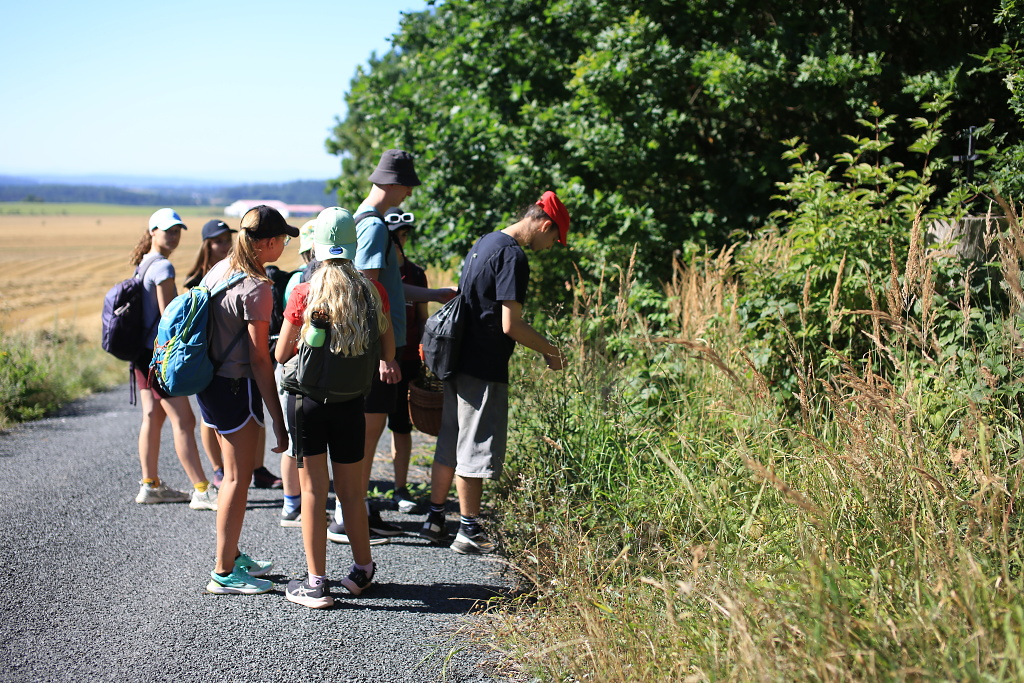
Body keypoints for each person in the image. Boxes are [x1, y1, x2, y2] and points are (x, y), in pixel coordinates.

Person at [418, 191, 570, 554]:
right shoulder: (513, 256)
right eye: (555, 239)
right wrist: (551, 350)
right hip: (482, 365)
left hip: (456, 357)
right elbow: (510, 325)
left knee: (450, 440)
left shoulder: (486, 241)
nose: (551, 246)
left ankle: (435, 518)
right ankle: (469, 531)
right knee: (474, 446)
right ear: (545, 226)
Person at [328, 149, 455, 545]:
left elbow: (388, 287)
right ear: (395, 183)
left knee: (368, 431)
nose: (409, 193)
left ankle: (357, 510)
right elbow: (367, 290)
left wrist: (433, 293)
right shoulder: (375, 227)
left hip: (372, 346)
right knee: (367, 435)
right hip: (374, 349)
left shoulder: (361, 219)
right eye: (408, 186)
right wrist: (383, 355)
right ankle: (347, 517)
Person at [276, 207, 400, 608]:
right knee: (351, 492)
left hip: (307, 404)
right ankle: (362, 570)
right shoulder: (372, 292)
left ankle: (316, 584)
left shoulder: (304, 293)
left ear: (315, 247)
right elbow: (388, 351)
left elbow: (280, 355)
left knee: (313, 491)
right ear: (354, 245)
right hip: (352, 404)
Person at [198, 204, 295, 595]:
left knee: (232, 475)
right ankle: (224, 572)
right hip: (237, 386)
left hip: (211, 383)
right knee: (237, 479)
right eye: (283, 238)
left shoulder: (221, 269)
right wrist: (278, 419)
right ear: (267, 243)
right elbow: (260, 359)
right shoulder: (258, 286)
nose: (285, 244)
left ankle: (232, 555)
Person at [129, 208, 218, 511]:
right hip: (157, 356)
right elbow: (170, 318)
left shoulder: (143, 263)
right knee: (185, 420)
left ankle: (150, 485)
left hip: (140, 355)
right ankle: (202, 489)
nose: (174, 236)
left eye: (178, 230)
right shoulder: (163, 267)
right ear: (152, 232)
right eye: (168, 231)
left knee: (153, 417)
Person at [383, 207, 429, 514]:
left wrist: (425, 355)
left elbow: (423, 318)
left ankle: (400, 489)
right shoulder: (377, 271)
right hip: (382, 361)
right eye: (396, 235)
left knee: (402, 427)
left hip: (409, 359)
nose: (400, 239)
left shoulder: (417, 274)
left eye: (402, 234)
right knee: (370, 427)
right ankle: (359, 491)